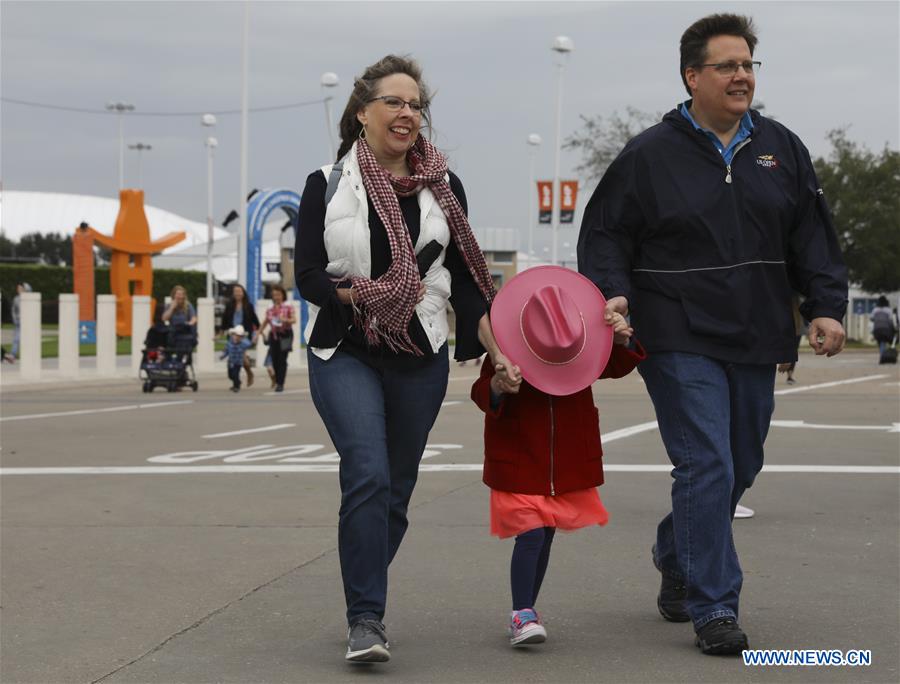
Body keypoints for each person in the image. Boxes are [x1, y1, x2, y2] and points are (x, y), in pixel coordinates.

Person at [578, 13, 848, 656]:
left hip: (756, 329)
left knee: (740, 465)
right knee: (706, 461)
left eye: (749, 64)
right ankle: (716, 606)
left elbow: (812, 235)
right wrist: (611, 291)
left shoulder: (781, 148)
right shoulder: (648, 154)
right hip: (674, 328)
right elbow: (607, 233)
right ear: (691, 76)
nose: (742, 76)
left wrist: (826, 306)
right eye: (727, 65)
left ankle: (678, 555)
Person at [295, 54, 511, 663]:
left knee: (394, 491)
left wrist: (497, 349)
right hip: (346, 346)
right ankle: (366, 617)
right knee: (367, 472)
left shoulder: (445, 186)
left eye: (415, 104)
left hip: (421, 352)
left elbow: (467, 281)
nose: (406, 113)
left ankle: (362, 577)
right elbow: (308, 275)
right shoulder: (326, 183)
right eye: (393, 101)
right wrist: (365, 293)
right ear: (362, 112)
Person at [470, 267, 645, 647]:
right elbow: (483, 390)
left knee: (545, 535)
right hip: (518, 457)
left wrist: (619, 337)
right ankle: (522, 612)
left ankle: (528, 607)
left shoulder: (580, 343)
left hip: (564, 461)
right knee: (531, 534)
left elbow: (618, 363)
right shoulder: (506, 345)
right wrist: (499, 386)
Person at [220, 284, 260, 387]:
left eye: (239, 291)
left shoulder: (248, 305)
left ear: (243, 293)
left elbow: (255, 321)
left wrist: (258, 334)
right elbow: (224, 321)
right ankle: (245, 375)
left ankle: (238, 381)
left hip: (244, 335)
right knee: (237, 357)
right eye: (236, 291)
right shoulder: (229, 305)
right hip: (233, 334)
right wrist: (219, 334)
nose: (238, 293)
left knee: (240, 357)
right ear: (233, 294)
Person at [257, 284, 294, 393]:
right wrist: (258, 332)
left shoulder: (288, 306)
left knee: (282, 359)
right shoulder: (270, 308)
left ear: (283, 295)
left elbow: (294, 320)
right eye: (274, 295)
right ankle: (278, 380)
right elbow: (266, 321)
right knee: (274, 360)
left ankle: (280, 383)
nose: (276, 297)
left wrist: (285, 320)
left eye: (278, 294)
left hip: (286, 335)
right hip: (273, 336)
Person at [161, 285, 197, 362]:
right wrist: (172, 308)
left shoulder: (188, 305)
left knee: (184, 344)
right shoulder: (169, 306)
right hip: (173, 333)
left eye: (182, 294)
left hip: (184, 332)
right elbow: (164, 318)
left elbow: (194, 318)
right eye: (178, 294)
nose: (180, 296)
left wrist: (189, 323)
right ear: (174, 295)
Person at [221, 325, 252, 392]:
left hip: (238, 362)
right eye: (235, 335)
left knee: (235, 374)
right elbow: (227, 350)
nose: (237, 337)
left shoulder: (243, 343)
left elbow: (249, 344)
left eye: (239, 336)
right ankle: (237, 382)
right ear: (233, 335)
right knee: (230, 375)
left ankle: (236, 386)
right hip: (230, 361)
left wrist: (244, 339)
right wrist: (223, 356)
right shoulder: (230, 342)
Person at [10, 282, 32, 360]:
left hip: (27, 322)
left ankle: (29, 355)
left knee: (28, 339)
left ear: (24, 289)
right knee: (16, 338)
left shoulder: (29, 298)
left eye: (20, 288)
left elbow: (30, 290)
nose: (18, 290)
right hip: (18, 322)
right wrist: (15, 319)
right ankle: (13, 354)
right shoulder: (16, 299)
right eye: (18, 288)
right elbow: (13, 310)